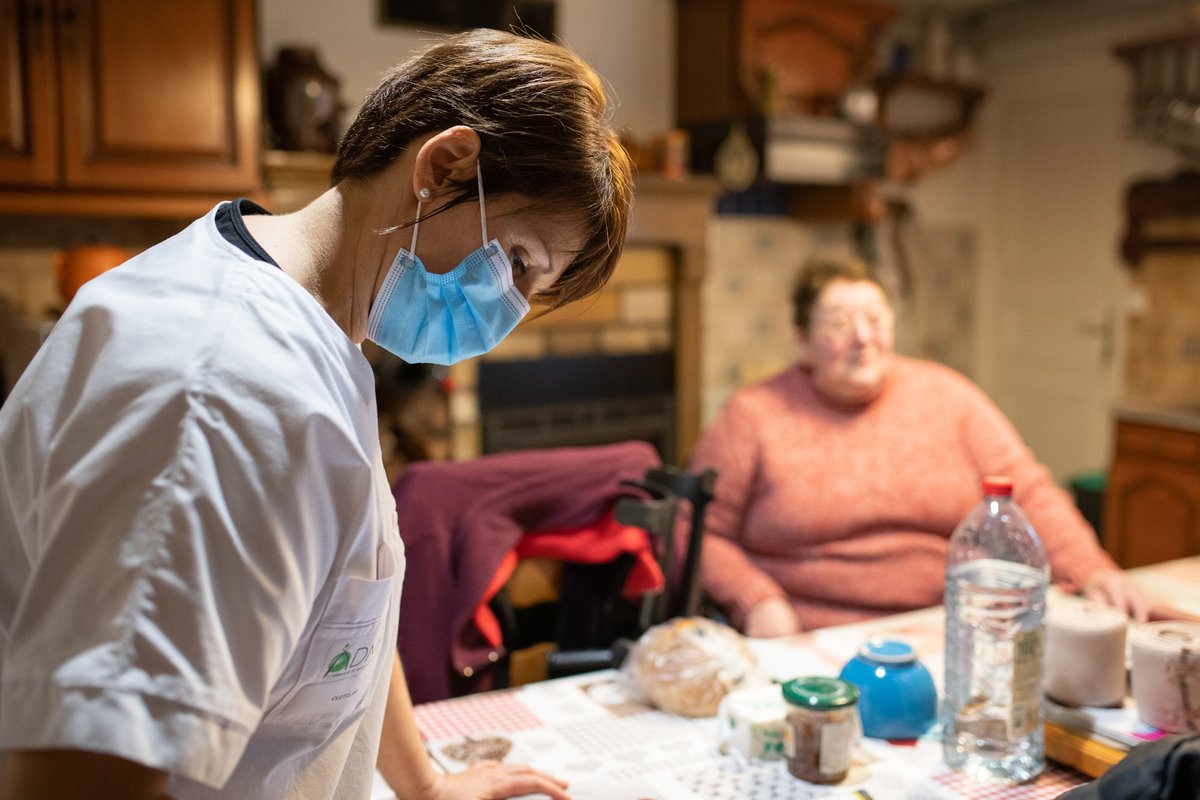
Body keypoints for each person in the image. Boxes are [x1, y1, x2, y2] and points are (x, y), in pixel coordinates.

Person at [0, 28, 632, 800]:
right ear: (442, 167)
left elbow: (346, 614)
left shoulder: (319, 331)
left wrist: (425, 787)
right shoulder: (224, 392)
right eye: (522, 262)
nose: (507, 311)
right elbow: (78, 776)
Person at [691, 254, 1154, 638]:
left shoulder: (949, 395)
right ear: (803, 343)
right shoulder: (752, 414)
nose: (863, 338)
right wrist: (757, 600)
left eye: (875, 319)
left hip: (950, 626)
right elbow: (699, 532)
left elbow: (1030, 494)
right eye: (838, 324)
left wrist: (1092, 568)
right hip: (810, 634)